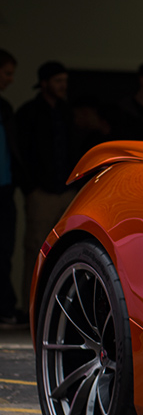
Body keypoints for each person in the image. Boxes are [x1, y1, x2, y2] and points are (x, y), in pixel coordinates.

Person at [14, 61, 80, 303]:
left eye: (65, 81)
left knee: (66, 249)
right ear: (44, 84)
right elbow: (21, 152)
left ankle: (60, 306)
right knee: (35, 249)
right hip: (41, 192)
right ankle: (28, 306)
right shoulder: (28, 113)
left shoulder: (66, 111)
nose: (63, 86)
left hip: (66, 190)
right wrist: (30, 187)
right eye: (58, 81)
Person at [0, 50, 19, 325]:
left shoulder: (5, 107)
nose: (11, 79)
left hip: (5, 189)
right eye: (7, 73)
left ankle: (5, 306)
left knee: (5, 249)